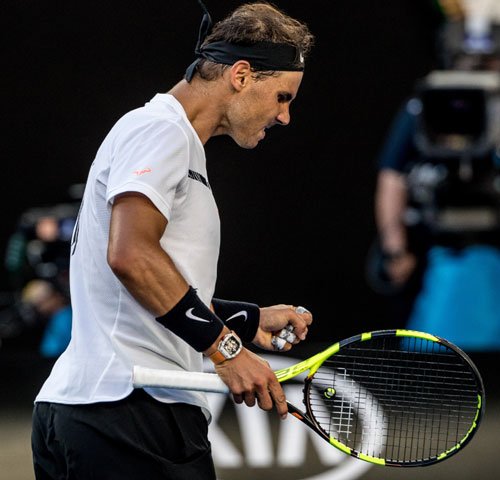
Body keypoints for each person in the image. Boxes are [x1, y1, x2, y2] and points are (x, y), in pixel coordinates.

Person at [31, 2, 314, 479]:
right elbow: (131, 257)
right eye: (282, 96)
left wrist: (245, 320)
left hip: (98, 411)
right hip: (130, 413)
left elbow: (129, 283)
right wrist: (226, 350)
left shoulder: (170, 141)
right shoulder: (161, 129)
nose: (284, 117)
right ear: (241, 76)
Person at [372, 19, 500, 351]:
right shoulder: (427, 106)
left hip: (491, 252)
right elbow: (392, 178)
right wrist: (395, 248)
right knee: (436, 352)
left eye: (489, 62)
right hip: (440, 253)